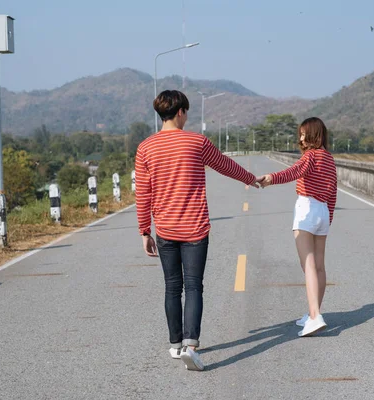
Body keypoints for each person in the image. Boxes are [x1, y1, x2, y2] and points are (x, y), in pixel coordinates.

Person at [135, 90, 262, 371]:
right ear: (180, 112)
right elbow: (225, 165)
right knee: (193, 286)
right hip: (194, 228)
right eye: (187, 112)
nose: (187, 116)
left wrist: (145, 230)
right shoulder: (196, 142)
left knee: (172, 286)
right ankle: (190, 346)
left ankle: (174, 344)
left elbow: (142, 193)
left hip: (165, 229)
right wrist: (251, 179)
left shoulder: (146, 147)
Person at [259, 117, 337, 337]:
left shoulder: (310, 156)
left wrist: (270, 178)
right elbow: (333, 192)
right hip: (322, 211)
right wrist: (328, 218)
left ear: (313, 135)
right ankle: (313, 313)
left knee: (308, 265)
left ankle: (314, 316)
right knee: (319, 266)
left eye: (304, 134)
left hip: (307, 209)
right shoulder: (329, 159)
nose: (301, 138)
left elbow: (293, 172)